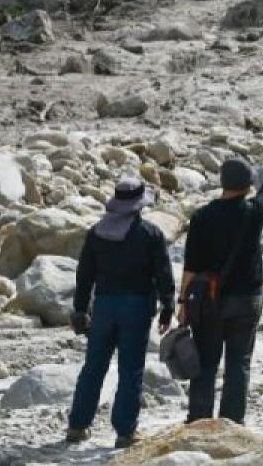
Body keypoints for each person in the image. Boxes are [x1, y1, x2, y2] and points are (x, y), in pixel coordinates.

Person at [67, 177, 174, 449]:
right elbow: (163, 273)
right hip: (136, 308)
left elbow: (84, 275)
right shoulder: (150, 234)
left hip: (103, 307)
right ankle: (125, 432)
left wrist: (80, 309)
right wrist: (167, 306)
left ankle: (78, 426)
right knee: (130, 370)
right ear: (139, 206)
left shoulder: (96, 233)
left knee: (93, 367)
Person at [178, 157, 263, 424]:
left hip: (209, 301)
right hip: (246, 300)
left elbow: (190, 267)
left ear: (222, 183)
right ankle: (231, 424)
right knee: (239, 364)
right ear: (248, 185)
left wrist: (182, 302)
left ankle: (199, 422)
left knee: (205, 364)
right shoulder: (254, 212)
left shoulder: (201, 217)